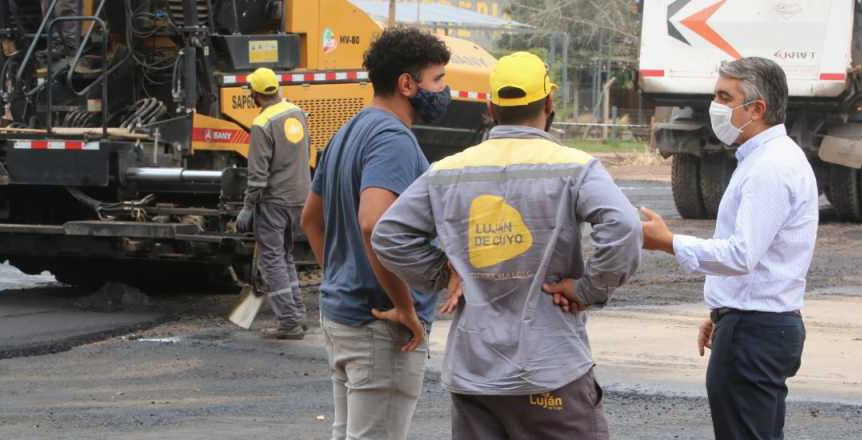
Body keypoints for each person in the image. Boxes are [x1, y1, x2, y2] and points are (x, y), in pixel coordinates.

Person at [371, 51, 643, 440]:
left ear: (491, 108)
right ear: (549, 103)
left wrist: (444, 273)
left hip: (474, 376)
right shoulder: (576, 167)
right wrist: (588, 290)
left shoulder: (447, 171)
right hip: (550, 370)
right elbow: (624, 227)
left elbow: (388, 236)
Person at [640, 56, 817, 440]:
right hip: (754, 324)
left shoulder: (770, 166)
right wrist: (723, 313)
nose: (715, 106)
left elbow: (741, 255)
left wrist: (669, 242)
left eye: (725, 97)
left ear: (756, 109)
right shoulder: (769, 158)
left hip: (754, 332)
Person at [299, 27, 452, 439]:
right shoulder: (393, 139)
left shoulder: (347, 131)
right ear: (407, 84)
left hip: (344, 316)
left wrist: (340, 275)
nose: (444, 89)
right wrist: (404, 305)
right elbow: (374, 224)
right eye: (437, 79)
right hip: (381, 326)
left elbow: (310, 219)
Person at [236, 67, 311, 340]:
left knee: (272, 260)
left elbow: (257, 174)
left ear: (254, 94)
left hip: (274, 201)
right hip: (299, 197)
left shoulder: (262, 124)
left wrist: (248, 206)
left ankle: (289, 322)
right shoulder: (297, 113)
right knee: (285, 256)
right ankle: (298, 314)